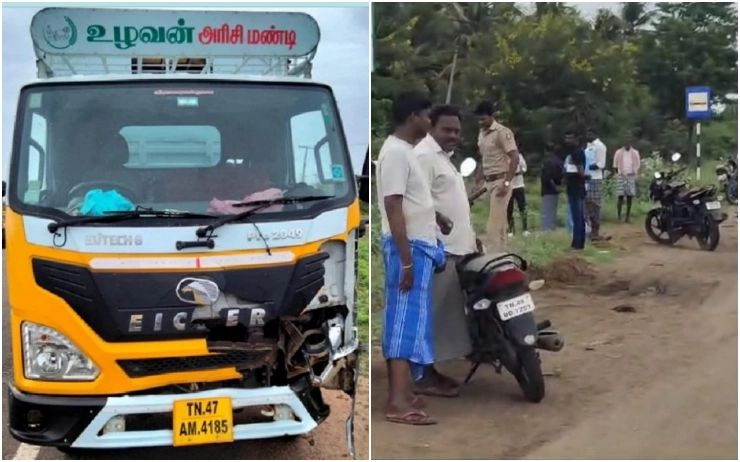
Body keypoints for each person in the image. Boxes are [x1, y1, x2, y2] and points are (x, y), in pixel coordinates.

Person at [376, 91, 448, 426]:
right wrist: (405, 261)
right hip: (408, 250)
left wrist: (437, 220)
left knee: (413, 325)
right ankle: (396, 402)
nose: (429, 121)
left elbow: (413, 201)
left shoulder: (406, 152)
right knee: (403, 326)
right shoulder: (394, 153)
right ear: (412, 117)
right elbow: (393, 206)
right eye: (426, 114)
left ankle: (404, 394)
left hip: (418, 247)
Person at [414, 104, 475, 398]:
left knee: (446, 312)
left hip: (457, 249)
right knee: (430, 314)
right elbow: (414, 202)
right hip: (438, 251)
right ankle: (422, 375)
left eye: (457, 131)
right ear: (431, 127)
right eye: (446, 130)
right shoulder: (424, 157)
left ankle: (432, 367)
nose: (453, 136)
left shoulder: (443, 158)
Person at [474, 101, 520, 252]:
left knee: (492, 226)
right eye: (479, 119)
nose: (481, 122)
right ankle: (502, 256)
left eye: (484, 119)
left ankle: (492, 257)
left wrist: (506, 183)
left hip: (501, 181)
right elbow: (484, 158)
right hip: (488, 181)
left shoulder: (502, 132)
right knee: (500, 224)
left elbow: (514, 157)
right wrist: (479, 179)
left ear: (492, 116)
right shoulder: (481, 134)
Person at [563, 125, 587, 250]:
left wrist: (582, 177)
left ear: (576, 138)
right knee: (576, 216)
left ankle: (578, 244)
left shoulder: (577, 152)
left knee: (578, 217)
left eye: (570, 138)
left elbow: (581, 170)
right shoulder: (571, 152)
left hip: (576, 188)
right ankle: (577, 242)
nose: (568, 141)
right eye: (566, 138)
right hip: (573, 187)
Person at [585, 129, 608, 240]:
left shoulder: (600, 146)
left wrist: (588, 166)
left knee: (595, 204)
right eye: (587, 134)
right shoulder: (588, 146)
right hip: (586, 178)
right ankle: (589, 229)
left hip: (595, 178)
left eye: (591, 133)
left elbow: (601, 164)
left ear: (595, 134)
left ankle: (596, 230)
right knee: (587, 204)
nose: (588, 136)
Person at [613, 140, 641, 222]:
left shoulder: (635, 153)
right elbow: (615, 165)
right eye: (625, 143)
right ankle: (619, 216)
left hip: (631, 175)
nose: (627, 145)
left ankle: (627, 217)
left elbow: (638, 164)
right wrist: (618, 174)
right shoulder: (619, 153)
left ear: (631, 144)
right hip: (621, 175)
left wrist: (635, 173)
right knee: (620, 196)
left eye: (628, 143)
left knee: (630, 196)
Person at [540, 142, 563, 231]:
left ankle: (547, 229)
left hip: (548, 189)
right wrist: (559, 187)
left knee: (547, 210)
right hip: (556, 189)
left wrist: (554, 186)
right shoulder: (559, 161)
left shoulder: (547, 161)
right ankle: (552, 227)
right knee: (553, 210)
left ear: (545, 150)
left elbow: (548, 177)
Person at [507, 153, 529, 237]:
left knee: (522, 207)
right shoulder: (503, 157)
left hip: (519, 185)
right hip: (509, 186)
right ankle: (510, 229)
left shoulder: (519, 156)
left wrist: (518, 172)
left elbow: (524, 168)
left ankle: (525, 229)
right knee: (509, 209)